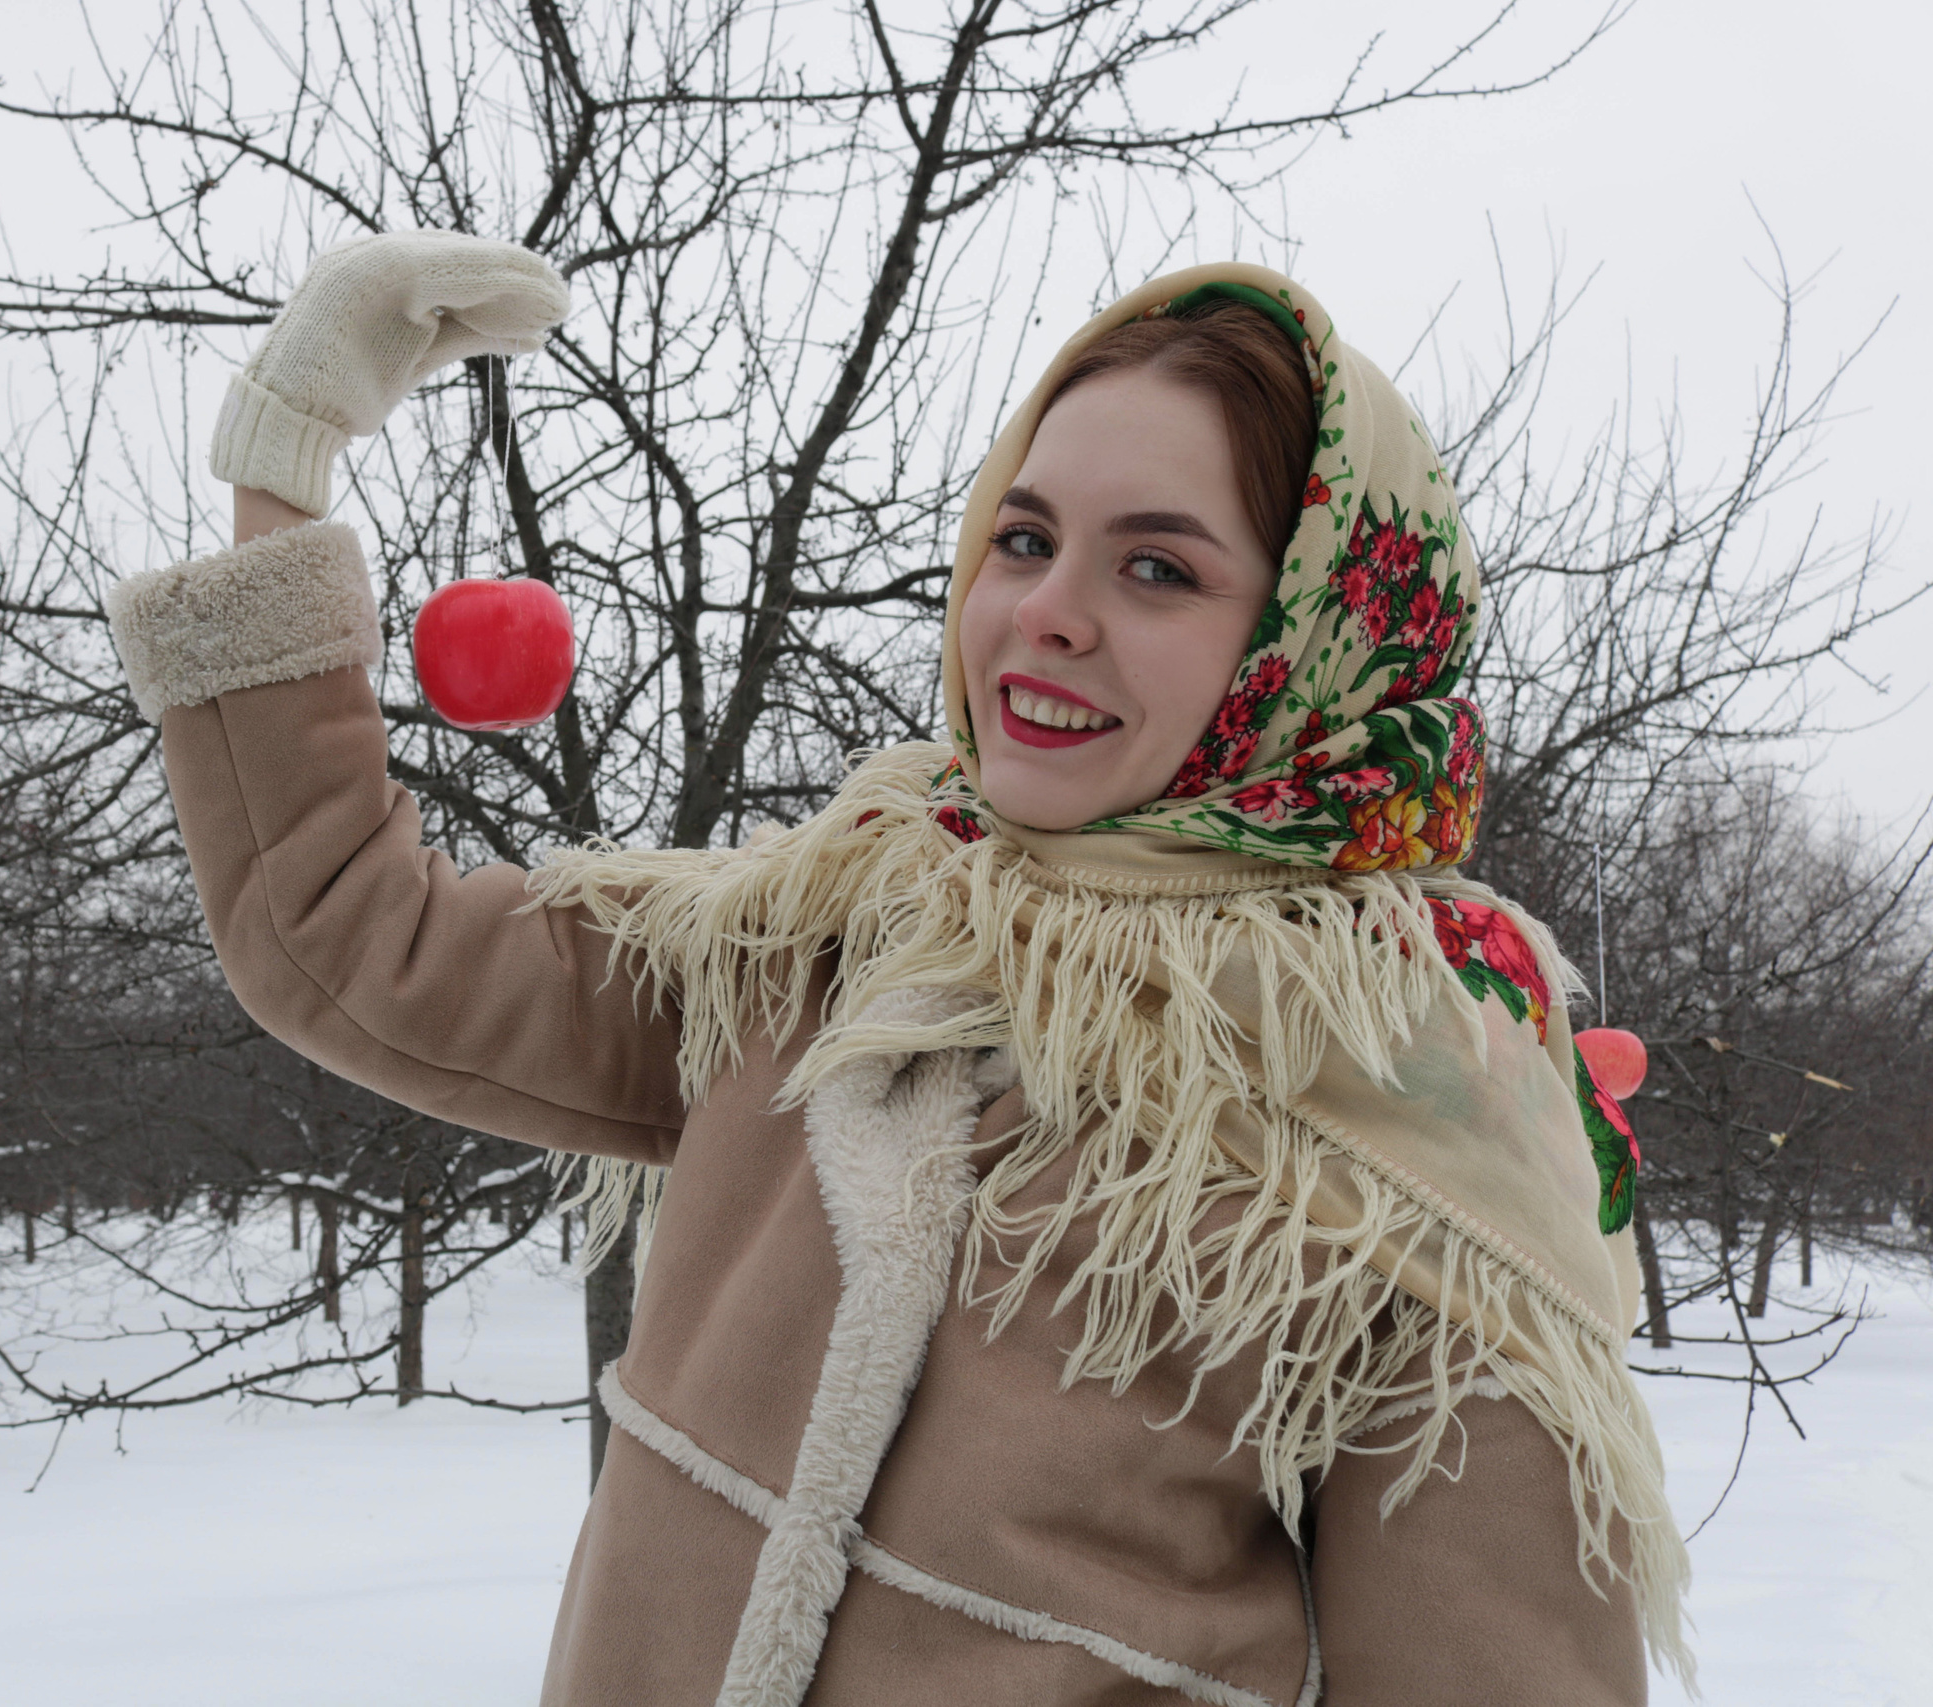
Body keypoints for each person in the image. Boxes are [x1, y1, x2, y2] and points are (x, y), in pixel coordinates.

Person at [106, 235, 1687, 1706]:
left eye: (1158, 571)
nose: (1046, 617)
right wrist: (283, 457)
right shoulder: (836, 939)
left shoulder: (1419, 1116)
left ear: (1310, 647)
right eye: (1025, 536)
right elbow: (352, 939)